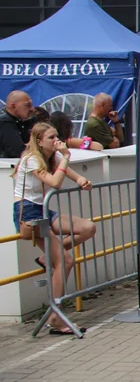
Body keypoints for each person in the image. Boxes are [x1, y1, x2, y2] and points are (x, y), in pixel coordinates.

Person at [12, 123, 96, 334]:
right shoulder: (31, 159)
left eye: (57, 136)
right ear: (39, 141)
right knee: (65, 261)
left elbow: (67, 172)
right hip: (29, 213)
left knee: (88, 228)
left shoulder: (52, 157)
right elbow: (55, 182)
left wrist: (81, 180)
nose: (56, 140)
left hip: (43, 209)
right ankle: (56, 318)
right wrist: (66, 155)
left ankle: (47, 258)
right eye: (51, 137)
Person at [0, 90, 34, 158]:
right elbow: (18, 150)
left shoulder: (28, 121)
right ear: (13, 106)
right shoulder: (5, 122)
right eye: (27, 105)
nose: (32, 109)